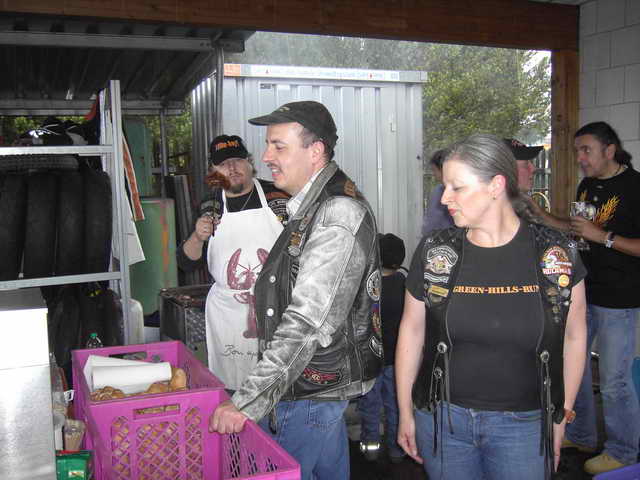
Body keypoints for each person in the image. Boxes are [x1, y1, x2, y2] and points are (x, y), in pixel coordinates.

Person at [395, 133, 587, 480]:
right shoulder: (436, 252)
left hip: (525, 425)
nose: (445, 198)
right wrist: (406, 411)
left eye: (457, 188)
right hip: (442, 420)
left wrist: (563, 415)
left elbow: (574, 336)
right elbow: (412, 330)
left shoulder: (554, 253)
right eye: (444, 187)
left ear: (496, 186)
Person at [208, 101, 383, 480]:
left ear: (315, 151)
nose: (266, 157)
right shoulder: (310, 205)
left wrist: (247, 401)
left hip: (308, 388)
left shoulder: (336, 213)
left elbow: (307, 322)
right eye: (267, 145)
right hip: (312, 386)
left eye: (278, 146)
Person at [545, 122, 640, 475]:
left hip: (620, 299)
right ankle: (582, 434)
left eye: (586, 150)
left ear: (609, 150)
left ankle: (623, 452)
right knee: (577, 370)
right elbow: (578, 232)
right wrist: (538, 215)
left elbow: (601, 236)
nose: (580, 158)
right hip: (584, 293)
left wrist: (603, 237)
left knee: (614, 381)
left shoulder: (636, 187)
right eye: (577, 151)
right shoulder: (586, 186)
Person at [177, 134, 288, 390]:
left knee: (279, 383)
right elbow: (186, 263)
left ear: (250, 162)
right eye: (223, 164)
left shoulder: (279, 196)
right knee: (235, 388)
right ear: (214, 170)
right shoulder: (209, 205)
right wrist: (197, 236)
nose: (232, 168)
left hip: (277, 305)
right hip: (229, 315)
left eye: (237, 160)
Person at [358, 233, 407, 464]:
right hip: (397, 359)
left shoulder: (370, 286)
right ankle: (396, 449)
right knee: (395, 404)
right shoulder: (405, 283)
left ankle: (371, 448)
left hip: (372, 358)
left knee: (370, 404)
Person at [421, 149, 455, 237]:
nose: (434, 174)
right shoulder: (440, 190)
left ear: (443, 169)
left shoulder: (439, 191)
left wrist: (426, 237)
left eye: (434, 170)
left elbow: (431, 223)